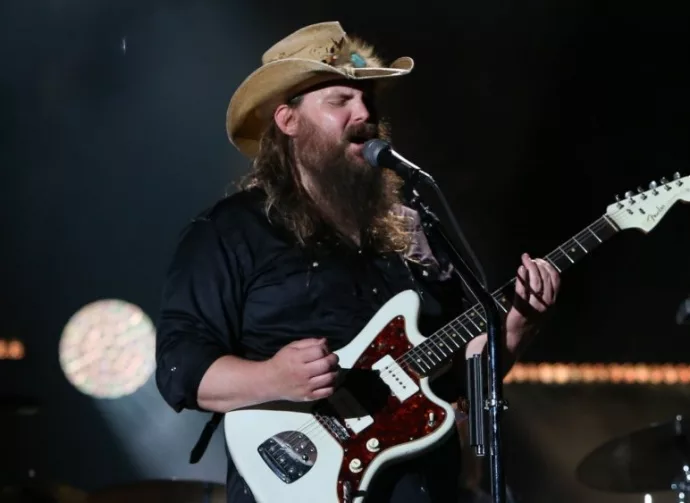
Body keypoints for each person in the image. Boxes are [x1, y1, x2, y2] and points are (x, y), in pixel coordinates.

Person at [155, 21, 560, 503]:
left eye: (367, 99)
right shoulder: (231, 231)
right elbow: (179, 367)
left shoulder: (411, 231)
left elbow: (458, 380)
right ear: (289, 121)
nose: (364, 112)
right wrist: (273, 377)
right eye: (339, 101)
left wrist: (513, 328)